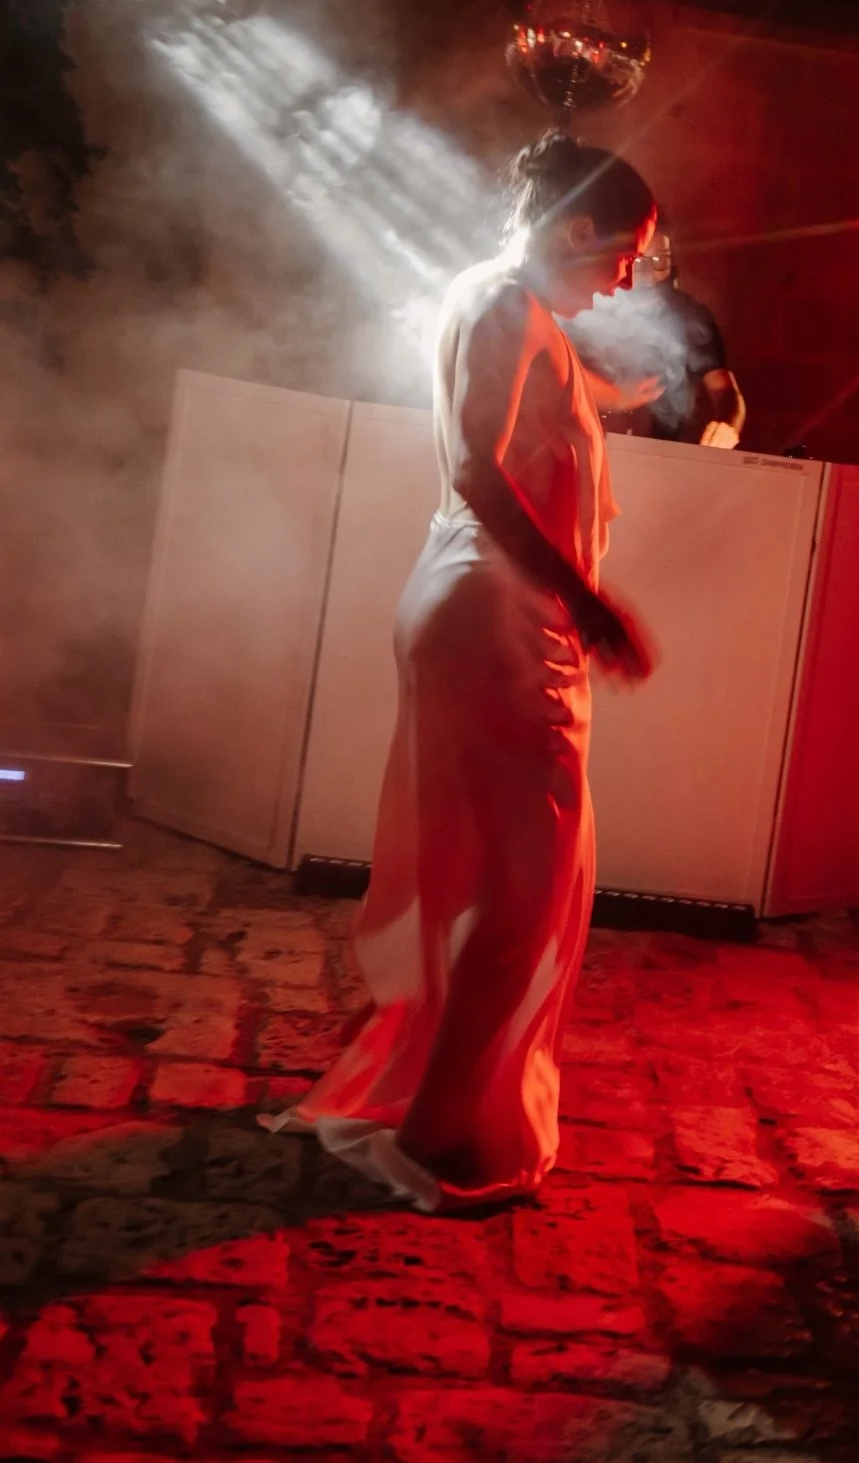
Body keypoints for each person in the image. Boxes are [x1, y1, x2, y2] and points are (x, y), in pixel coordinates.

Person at [263, 132, 657, 1212]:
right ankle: (434, 1134)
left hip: (466, 600)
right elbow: (479, 467)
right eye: (629, 251)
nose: (631, 275)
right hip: (497, 613)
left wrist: (611, 396)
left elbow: (526, 428)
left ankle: (430, 1102)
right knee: (525, 883)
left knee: (487, 864)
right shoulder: (507, 308)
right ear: (580, 227)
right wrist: (588, 603)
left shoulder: (492, 300)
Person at [566, 220, 746, 448]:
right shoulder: (585, 305)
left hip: (661, 458)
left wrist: (727, 426)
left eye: (661, 260)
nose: (649, 274)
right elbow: (555, 373)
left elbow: (726, 393)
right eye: (639, 260)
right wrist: (616, 396)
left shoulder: (689, 316)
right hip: (586, 446)